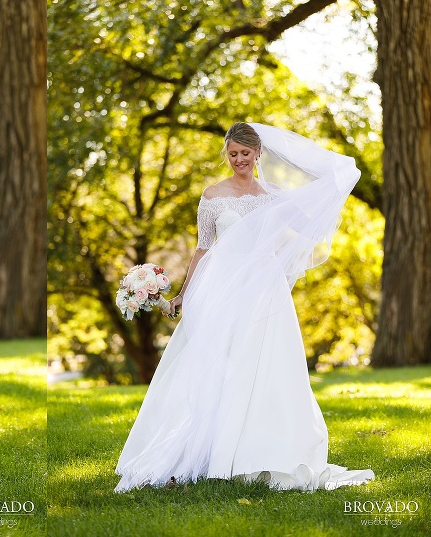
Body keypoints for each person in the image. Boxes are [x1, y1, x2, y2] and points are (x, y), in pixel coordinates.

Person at [114, 122, 374, 493]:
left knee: (267, 365)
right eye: (233, 153)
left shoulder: (273, 195)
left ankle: (262, 449)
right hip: (223, 289)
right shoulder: (213, 195)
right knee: (219, 365)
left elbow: (308, 228)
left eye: (245, 153)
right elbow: (203, 248)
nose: (239, 160)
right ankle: (212, 449)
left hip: (266, 291)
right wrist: (184, 295)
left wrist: (333, 188)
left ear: (258, 154)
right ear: (227, 153)